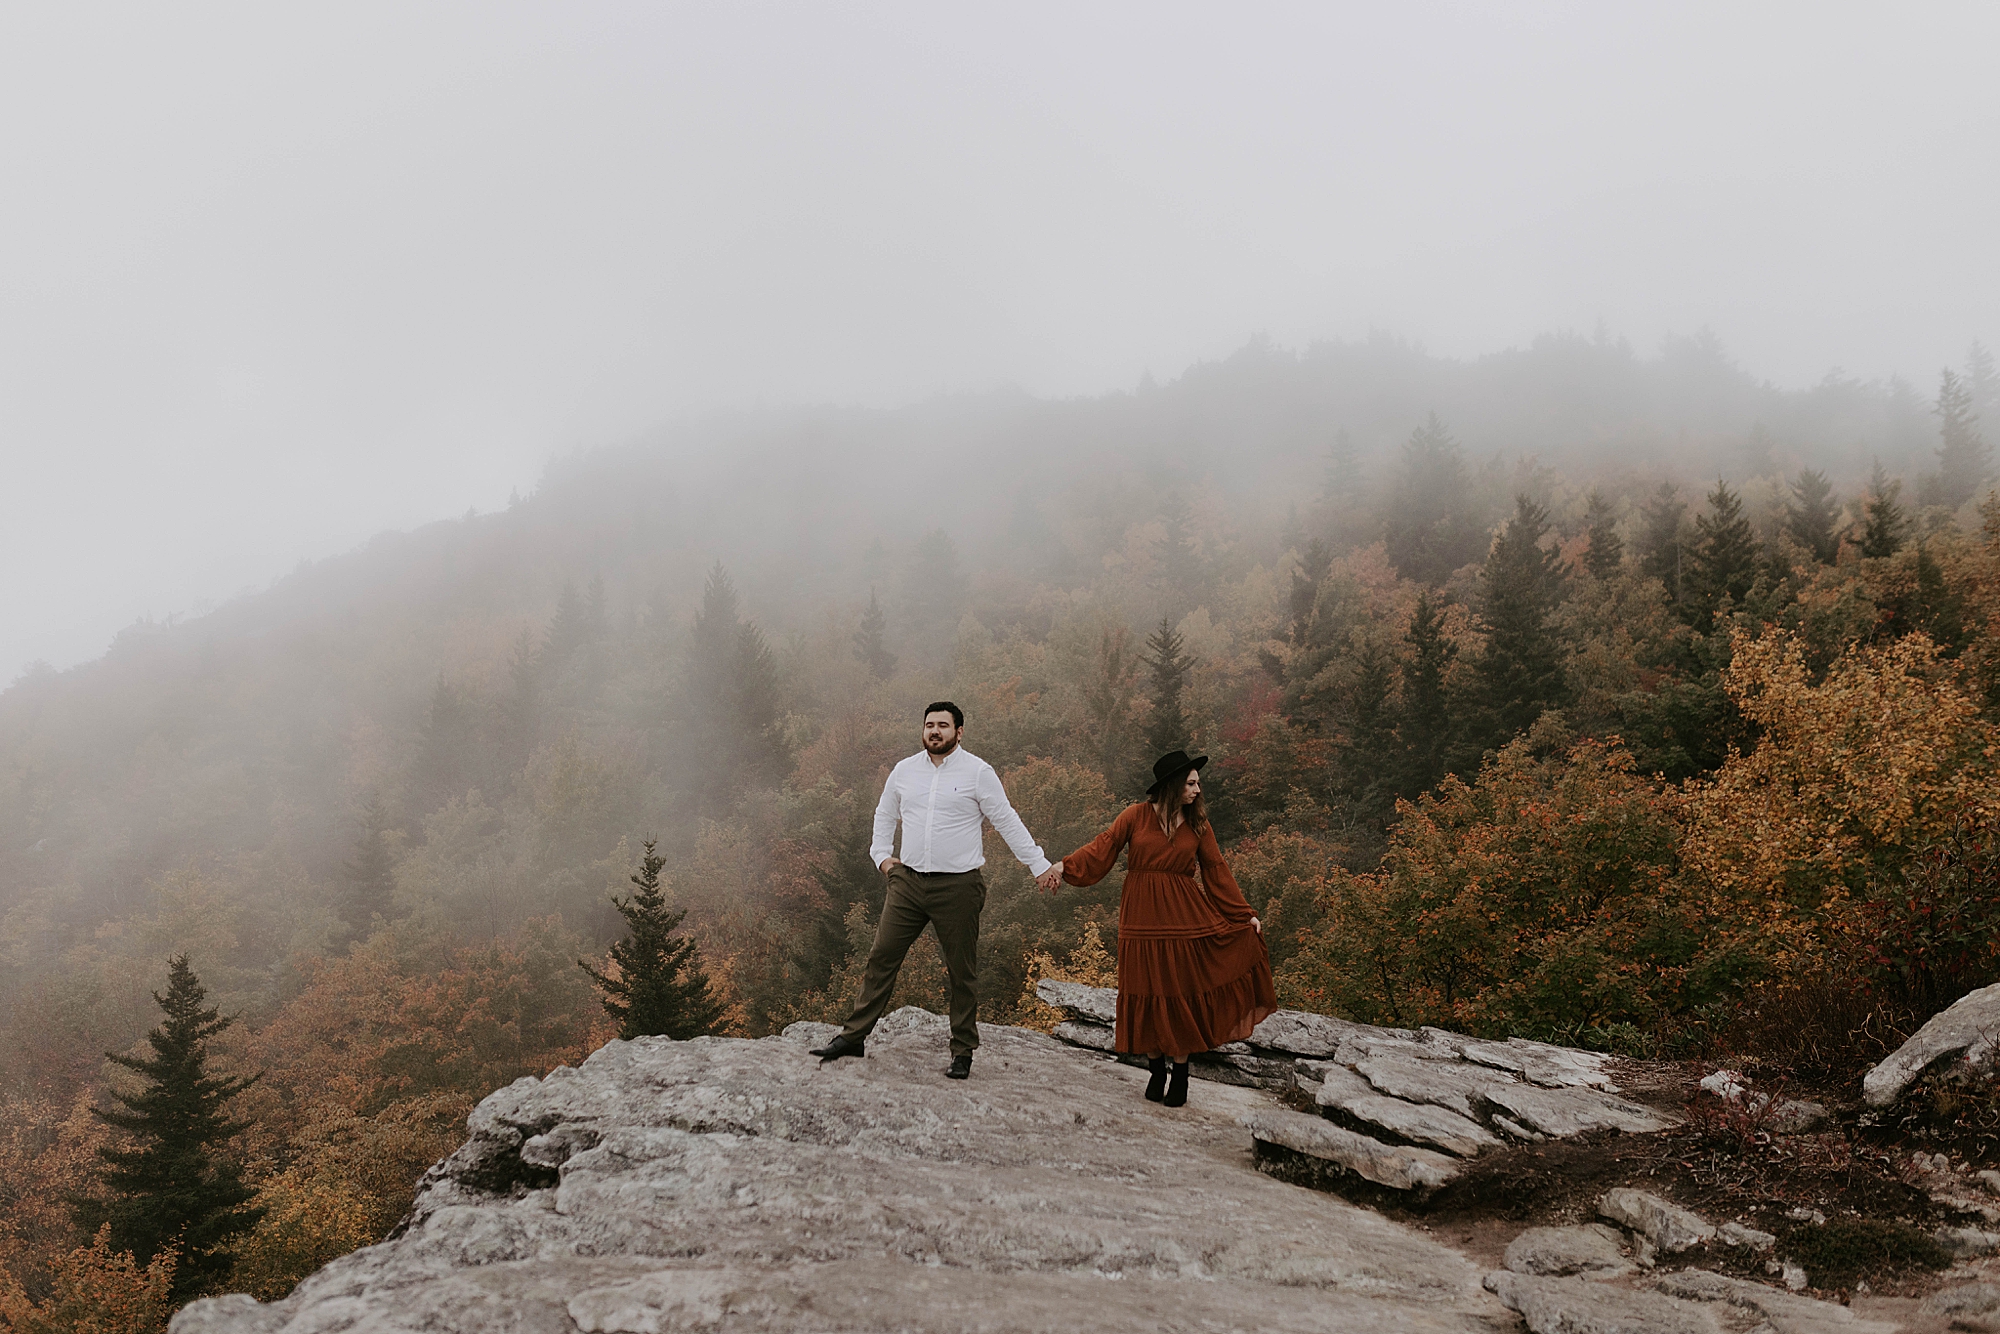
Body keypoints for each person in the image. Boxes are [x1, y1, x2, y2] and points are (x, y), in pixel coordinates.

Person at [810, 701, 1055, 1080]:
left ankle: (962, 1052)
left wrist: (1038, 865)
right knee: (881, 957)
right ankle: (854, 1037)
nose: (934, 731)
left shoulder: (978, 772)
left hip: (958, 886)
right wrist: (881, 857)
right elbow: (884, 813)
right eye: (929, 725)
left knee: (961, 972)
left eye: (943, 725)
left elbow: (1006, 819)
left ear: (959, 731)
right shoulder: (904, 771)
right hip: (907, 883)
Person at [1042, 749, 1276, 1107]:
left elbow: (1216, 872)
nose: (1198, 789)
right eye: (1191, 783)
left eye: (1198, 783)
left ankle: (1180, 1075)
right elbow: (1103, 848)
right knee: (1145, 990)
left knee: (1179, 994)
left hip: (1185, 918)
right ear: (1171, 785)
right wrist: (1063, 866)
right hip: (1140, 918)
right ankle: (1155, 1070)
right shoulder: (1135, 816)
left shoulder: (1199, 825)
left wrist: (1245, 916)